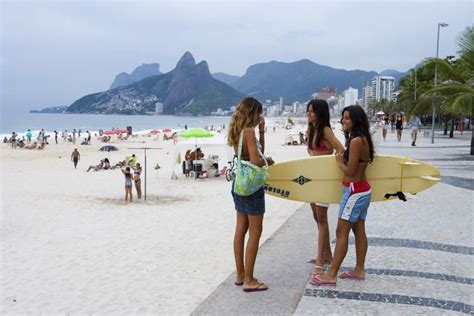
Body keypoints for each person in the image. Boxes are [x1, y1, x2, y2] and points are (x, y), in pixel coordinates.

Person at [310, 105, 374, 286]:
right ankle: (359, 270)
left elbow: (351, 171)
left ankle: (331, 274)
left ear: (356, 120)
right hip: (362, 190)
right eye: (343, 118)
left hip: (354, 191)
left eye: (347, 118)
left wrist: (339, 162)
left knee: (341, 232)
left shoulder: (356, 141)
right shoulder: (362, 139)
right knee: (359, 230)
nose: (343, 121)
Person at [227, 97, 275, 292]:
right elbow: (256, 159)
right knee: (255, 232)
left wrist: (262, 132)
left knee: (240, 230)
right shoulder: (248, 131)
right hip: (252, 188)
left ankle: (240, 275)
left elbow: (248, 155)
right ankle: (249, 279)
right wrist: (268, 162)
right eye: (259, 112)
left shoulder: (237, 131)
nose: (260, 116)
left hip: (239, 185)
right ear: (252, 113)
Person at [305, 100, 344, 278]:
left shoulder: (325, 130)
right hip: (311, 178)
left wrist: (330, 160)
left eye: (312, 111)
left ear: (320, 113)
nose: (309, 114)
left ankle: (320, 262)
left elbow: (340, 149)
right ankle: (327, 254)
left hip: (323, 180)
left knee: (321, 219)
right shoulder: (311, 130)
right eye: (308, 111)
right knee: (316, 217)